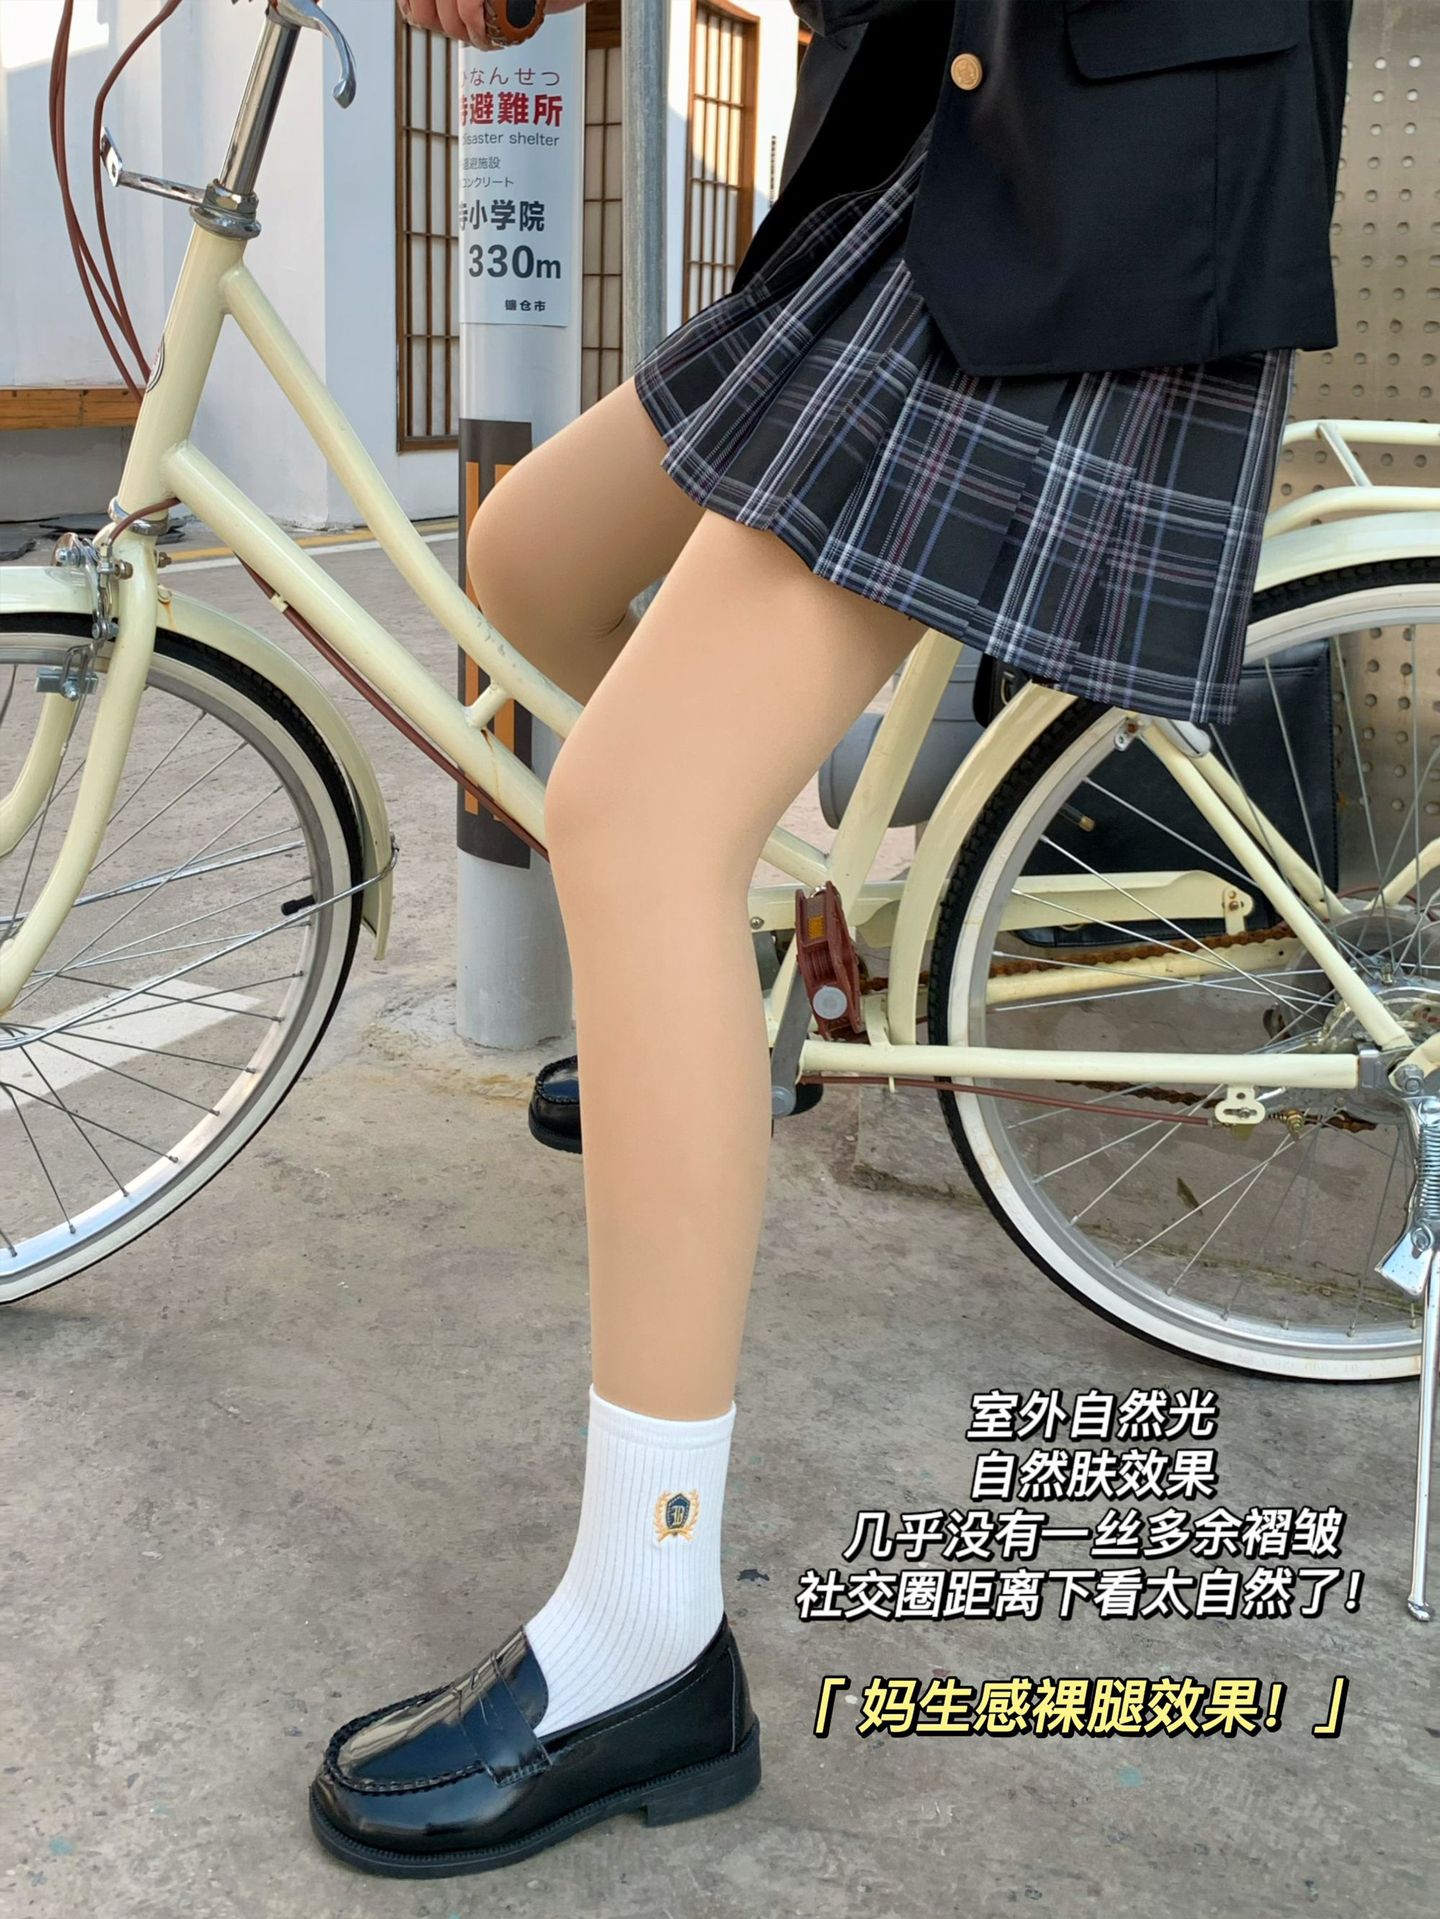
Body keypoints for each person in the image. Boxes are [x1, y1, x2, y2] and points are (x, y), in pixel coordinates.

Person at [309, 0, 1353, 1879]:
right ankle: (721, 990)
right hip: (920, 166)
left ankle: (647, 1641)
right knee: (530, 555)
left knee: (632, 824)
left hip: (1097, 171)